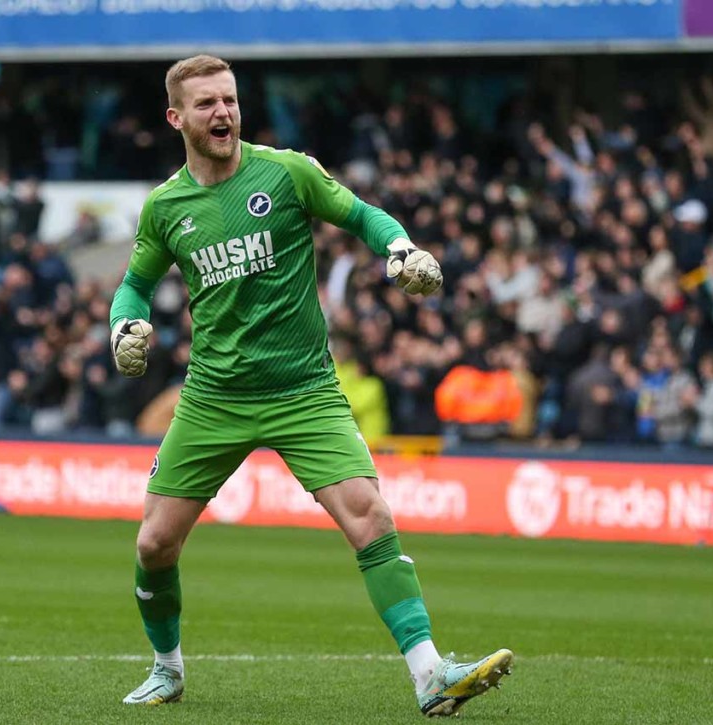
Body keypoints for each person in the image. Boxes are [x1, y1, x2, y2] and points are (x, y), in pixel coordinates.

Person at [108, 55, 512, 718]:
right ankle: (167, 668)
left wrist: (400, 249)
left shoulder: (287, 172)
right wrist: (125, 324)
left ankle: (431, 674)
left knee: (371, 515)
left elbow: (365, 215)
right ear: (176, 118)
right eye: (206, 103)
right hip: (214, 398)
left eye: (229, 100)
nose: (223, 112)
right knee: (154, 543)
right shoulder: (165, 207)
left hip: (304, 392)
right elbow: (135, 285)